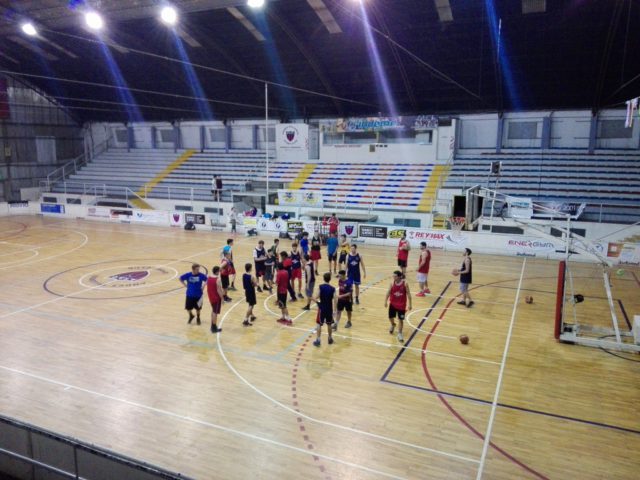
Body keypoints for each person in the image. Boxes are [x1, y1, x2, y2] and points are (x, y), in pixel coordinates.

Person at [384, 271, 412, 342]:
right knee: (390, 317)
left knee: (400, 320)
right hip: (393, 304)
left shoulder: (405, 284)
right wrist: (385, 301)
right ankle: (393, 324)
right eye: (393, 276)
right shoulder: (392, 283)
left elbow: (408, 294)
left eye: (395, 276)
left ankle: (399, 333)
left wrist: (410, 304)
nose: (394, 277)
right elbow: (388, 292)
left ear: (399, 276)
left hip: (401, 305)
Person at [312, 272, 337, 347]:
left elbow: (316, 297)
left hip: (322, 308)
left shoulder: (321, 287)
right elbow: (335, 300)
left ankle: (318, 340)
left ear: (324, 278)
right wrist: (334, 311)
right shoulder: (333, 289)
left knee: (319, 324)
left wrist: (316, 301)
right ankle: (329, 339)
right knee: (329, 324)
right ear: (330, 279)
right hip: (329, 308)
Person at [206, 266, 224, 333]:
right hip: (216, 298)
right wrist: (222, 298)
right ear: (217, 272)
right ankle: (213, 327)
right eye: (219, 271)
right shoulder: (218, 279)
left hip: (211, 297)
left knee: (213, 311)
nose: (220, 272)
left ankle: (212, 326)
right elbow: (219, 290)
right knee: (215, 312)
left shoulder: (209, 277)